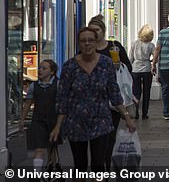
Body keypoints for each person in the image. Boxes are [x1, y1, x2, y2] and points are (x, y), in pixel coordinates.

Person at [50, 27, 135, 171]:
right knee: (80, 165)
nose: (87, 44)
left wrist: (127, 117)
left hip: (101, 121)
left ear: (96, 43)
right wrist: (58, 126)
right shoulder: (69, 66)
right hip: (76, 122)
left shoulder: (106, 64)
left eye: (90, 40)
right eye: (83, 41)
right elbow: (62, 97)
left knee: (98, 164)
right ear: (79, 44)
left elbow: (114, 93)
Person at [88, 14, 132, 171]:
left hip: (113, 100)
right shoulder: (87, 49)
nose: (94, 33)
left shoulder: (115, 47)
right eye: (91, 30)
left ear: (103, 31)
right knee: (96, 137)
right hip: (93, 100)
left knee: (109, 135)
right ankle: (99, 167)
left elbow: (128, 68)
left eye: (97, 29)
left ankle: (106, 167)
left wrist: (118, 64)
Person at [19, 59, 59, 170]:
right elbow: (28, 103)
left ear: (52, 72)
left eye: (44, 68)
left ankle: (52, 168)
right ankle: (37, 173)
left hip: (53, 120)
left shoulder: (58, 84)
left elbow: (63, 104)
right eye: (39, 68)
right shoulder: (34, 86)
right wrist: (22, 119)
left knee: (52, 148)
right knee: (39, 148)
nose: (40, 70)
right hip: (38, 120)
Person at [152, 13, 169, 121]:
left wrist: (153, 63)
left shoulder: (162, 32)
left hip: (164, 65)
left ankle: (166, 111)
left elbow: (157, 49)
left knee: (165, 88)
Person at [130, 24, 155, 120]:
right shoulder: (151, 45)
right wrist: (152, 61)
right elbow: (155, 56)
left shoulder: (134, 43)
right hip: (146, 69)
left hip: (135, 68)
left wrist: (130, 67)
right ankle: (145, 113)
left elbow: (130, 57)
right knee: (146, 91)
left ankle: (135, 111)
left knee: (136, 91)